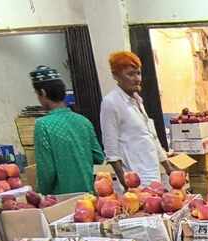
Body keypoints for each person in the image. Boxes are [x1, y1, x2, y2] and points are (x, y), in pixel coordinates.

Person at [100, 51, 172, 186]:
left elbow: (152, 137)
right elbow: (111, 150)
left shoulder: (137, 101)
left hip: (152, 173)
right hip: (135, 179)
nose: (137, 79)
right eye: (130, 74)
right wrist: (126, 184)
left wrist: (168, 168)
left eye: (138, 73)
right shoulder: (111, 103)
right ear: (116, 76)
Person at [30, 65, 104, 194]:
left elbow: (47, 172)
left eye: (37, 94)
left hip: (61, 201)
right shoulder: (83, 121)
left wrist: (39, 194)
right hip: (89, 197)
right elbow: (98, 157)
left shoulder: (43, 125)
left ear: (43, 92)